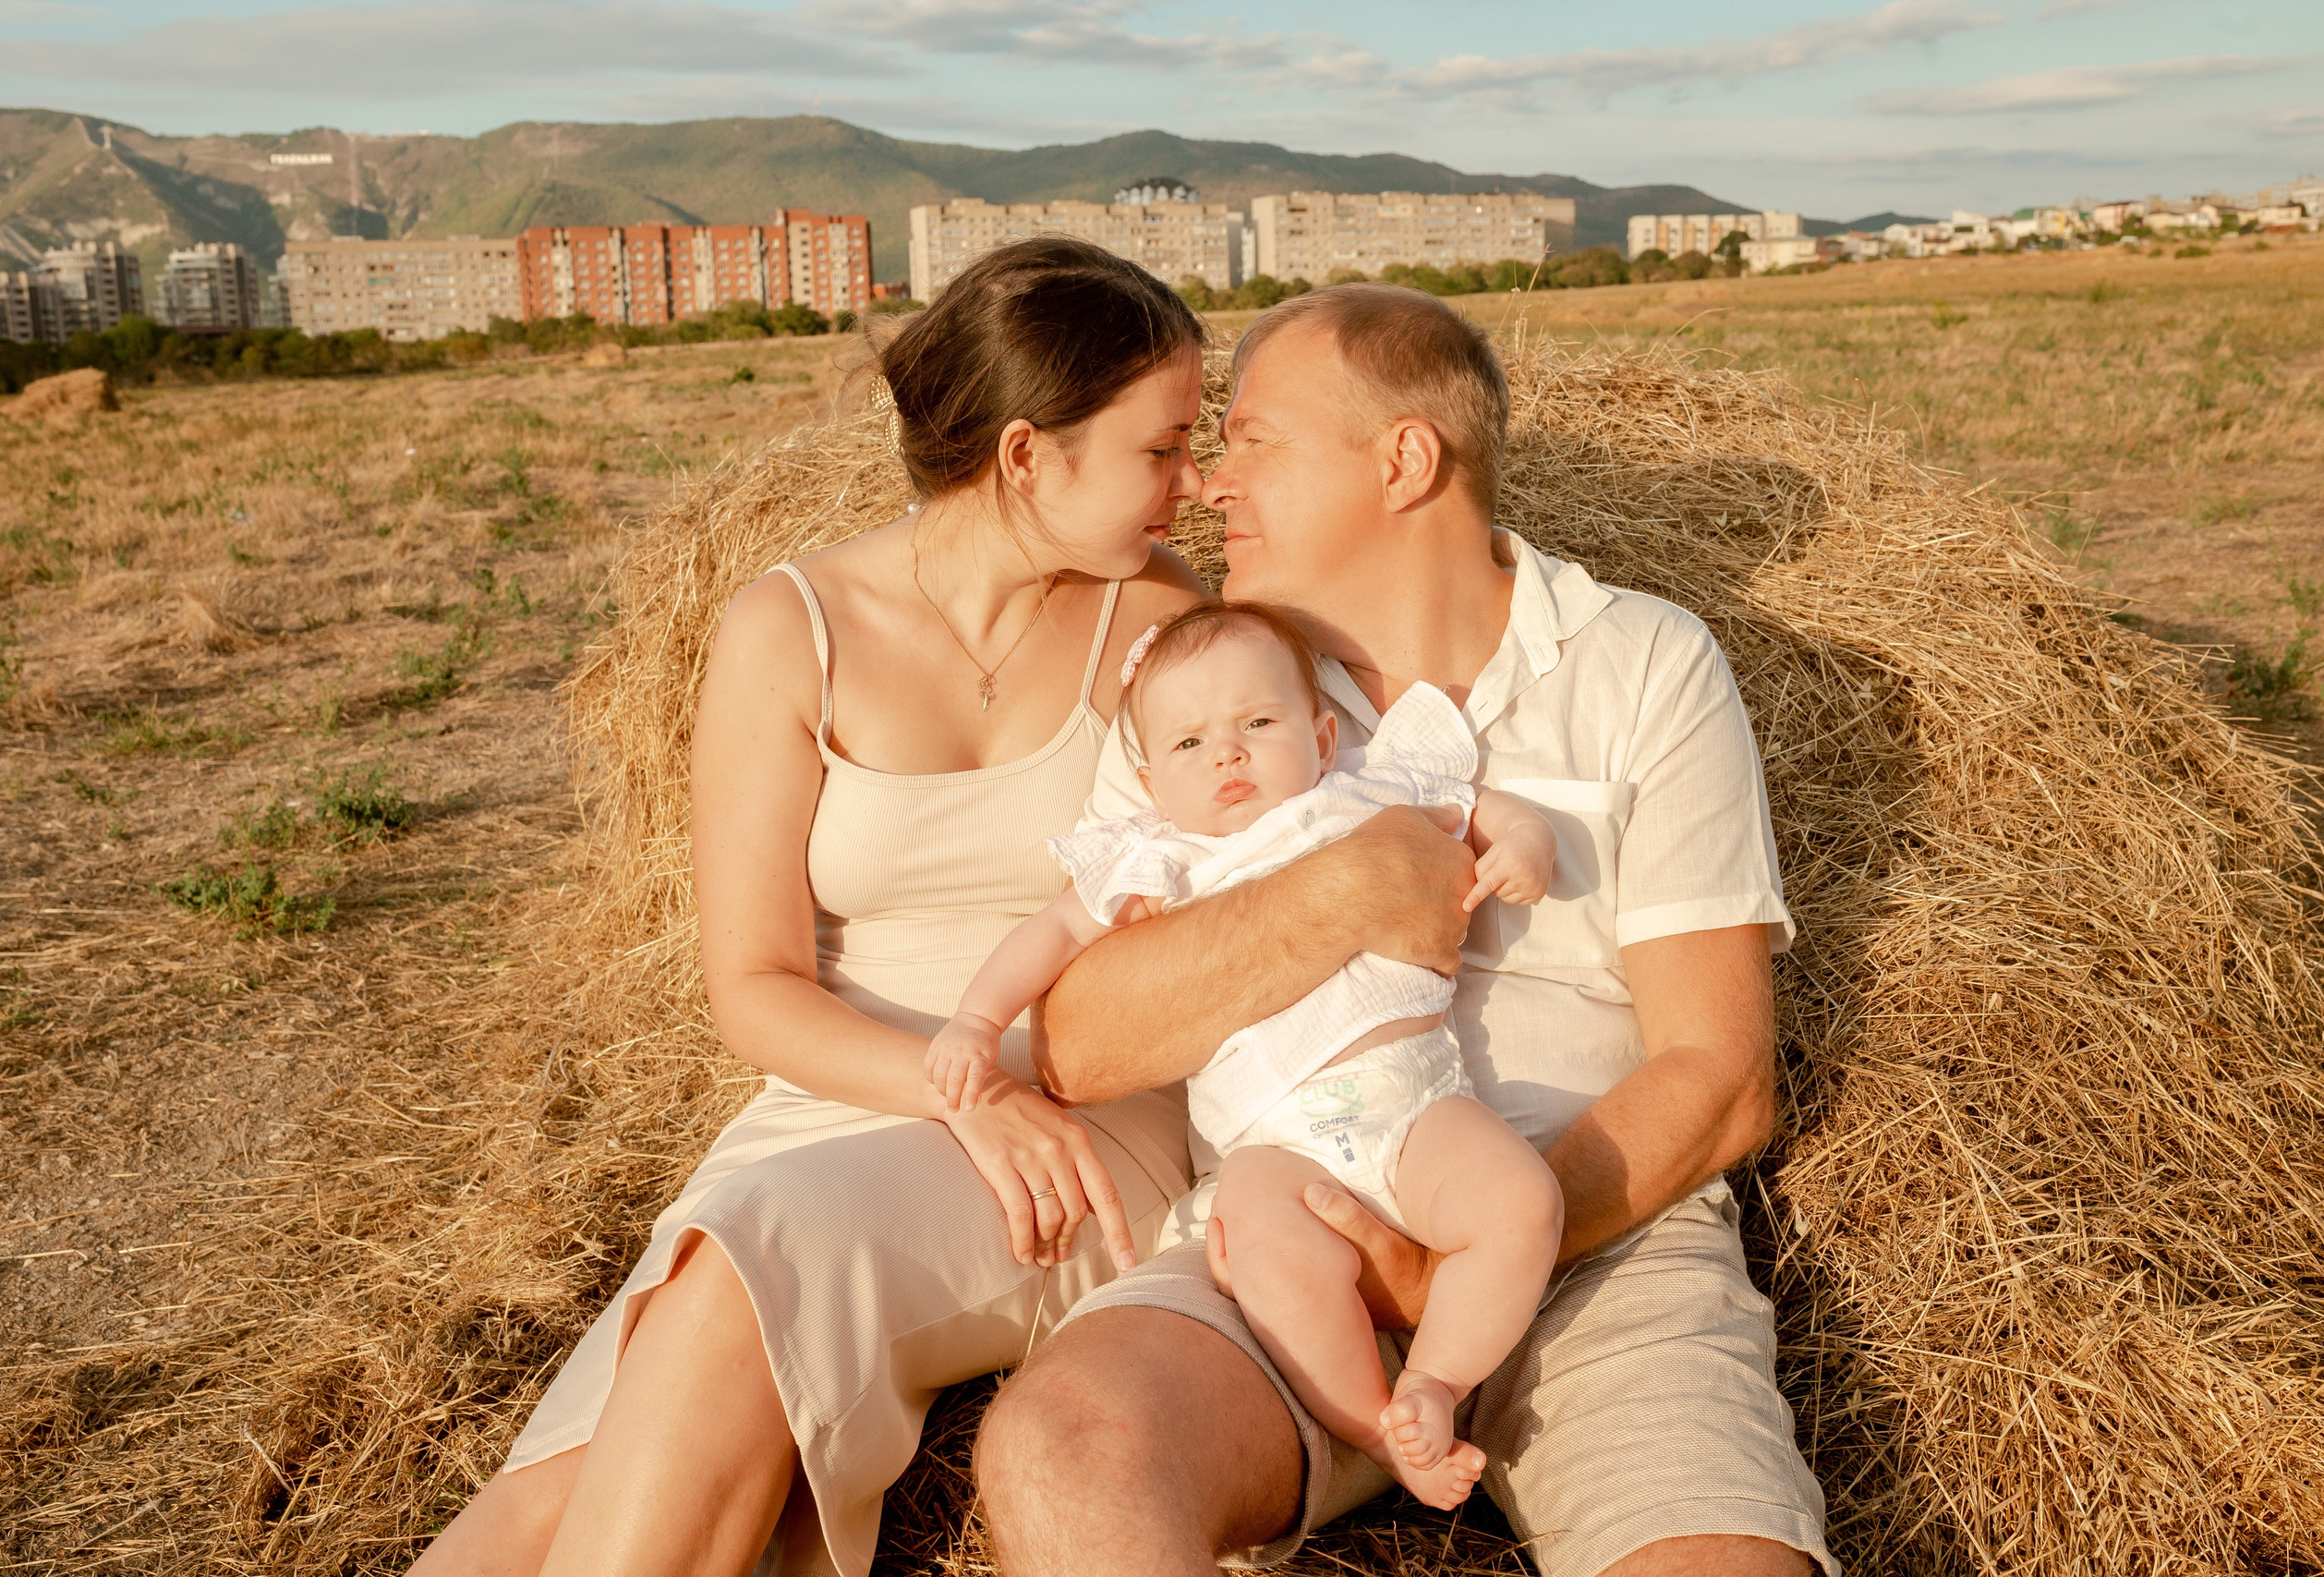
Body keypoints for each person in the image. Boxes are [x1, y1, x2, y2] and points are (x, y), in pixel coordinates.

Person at [975, 284, 1837, 1577]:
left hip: (1604, 1240)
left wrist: (1457, 1263)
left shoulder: (1643, 662)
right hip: (1292, 1226)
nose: (1208, 481)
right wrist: (1339, 891)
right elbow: (1085, 1045)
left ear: (1404, 461)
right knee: (1067, 1447)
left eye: (1254, 439)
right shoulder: (1205, 696)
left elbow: (1718, 1076)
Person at [409, 236, 1213, 1577]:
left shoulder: (1159, 621)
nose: (1194, 483)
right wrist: (955, 1090)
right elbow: (756, 984)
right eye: (1163, 448)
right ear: (1029, 454)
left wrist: (1003, 1089)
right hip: (838, 1100)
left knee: (740, 1272)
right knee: (549, 1494)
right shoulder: (790, 629)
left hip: (1072, 1121)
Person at [923, 601, 1562, 1510]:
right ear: (1152, 784)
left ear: (1322, 736)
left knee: (1520, 1202)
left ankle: (1436, 1380)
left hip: (1415, 1102)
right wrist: (977, 1022)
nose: (1226, 754)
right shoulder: (1160, 858)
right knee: (1270, 1263)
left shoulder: (1361, 792)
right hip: (1274, 1145)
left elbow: (1476, 805)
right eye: (1189, 743)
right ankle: (1370, 1423)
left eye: (1257, 724)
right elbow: (1054, 932)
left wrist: (1525, 841)